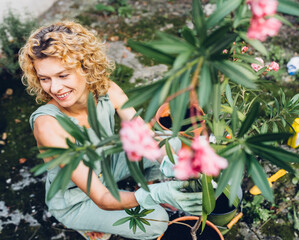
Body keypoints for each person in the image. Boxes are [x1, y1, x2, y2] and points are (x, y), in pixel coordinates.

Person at [19, 21, 202, 240]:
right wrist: (154, 195)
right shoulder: (49, 126)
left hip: (106, 165)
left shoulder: (106, 89)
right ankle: (90, 222)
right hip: (76, 199)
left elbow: (146, 138)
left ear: (85, 66)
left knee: (172, 145)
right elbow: (102, 197)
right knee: (156, 222)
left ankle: (141, 187)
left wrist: (175, 164)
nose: (54, 88)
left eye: (63, 75)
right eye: (44, 79)